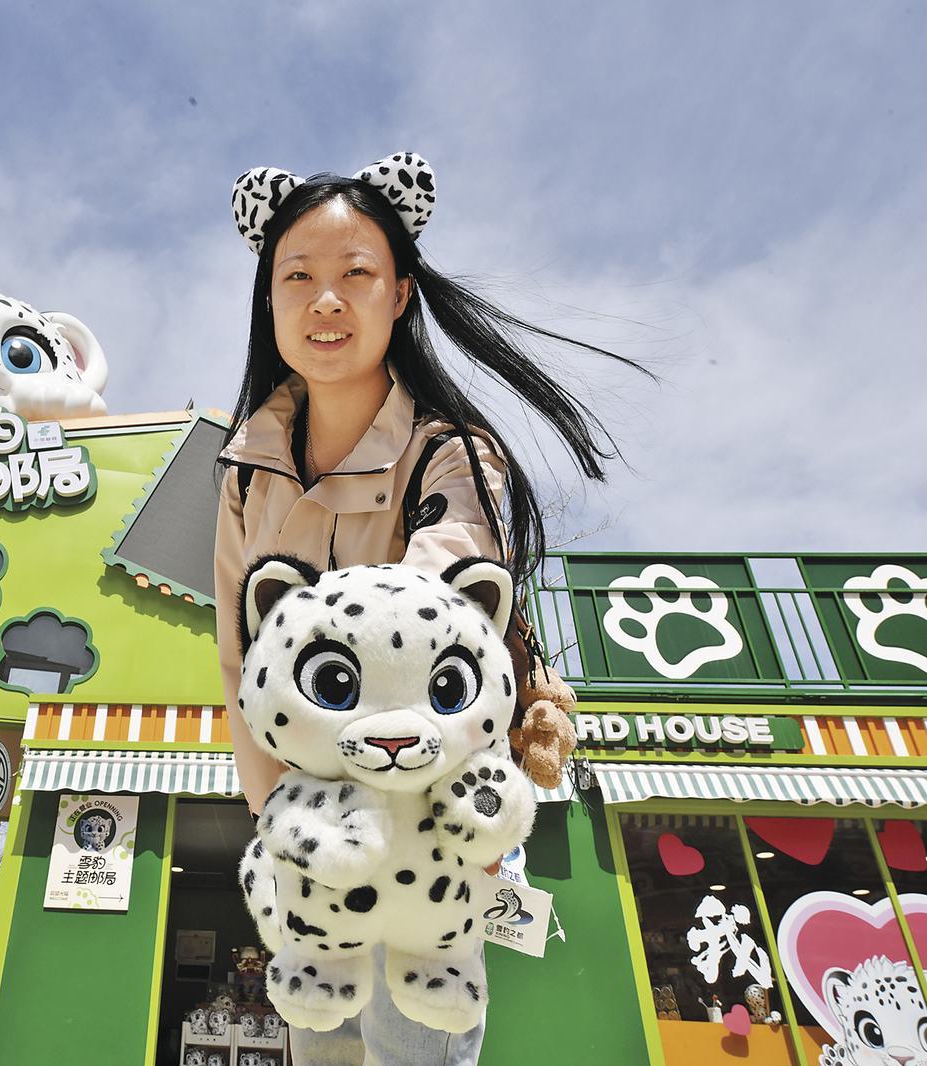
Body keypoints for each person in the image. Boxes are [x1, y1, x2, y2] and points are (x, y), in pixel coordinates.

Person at [213, 153, 647, 1065]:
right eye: (297, 276)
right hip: (314, 828)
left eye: (355, 274)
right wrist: (278, 817)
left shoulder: (452, 455)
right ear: (267, 299)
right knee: (320, 1052)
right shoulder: (245, 470)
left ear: (400, 293)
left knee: (411, 1047)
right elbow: (235, 656)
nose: (324, 300)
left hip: (432, 830)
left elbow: (422, 629)